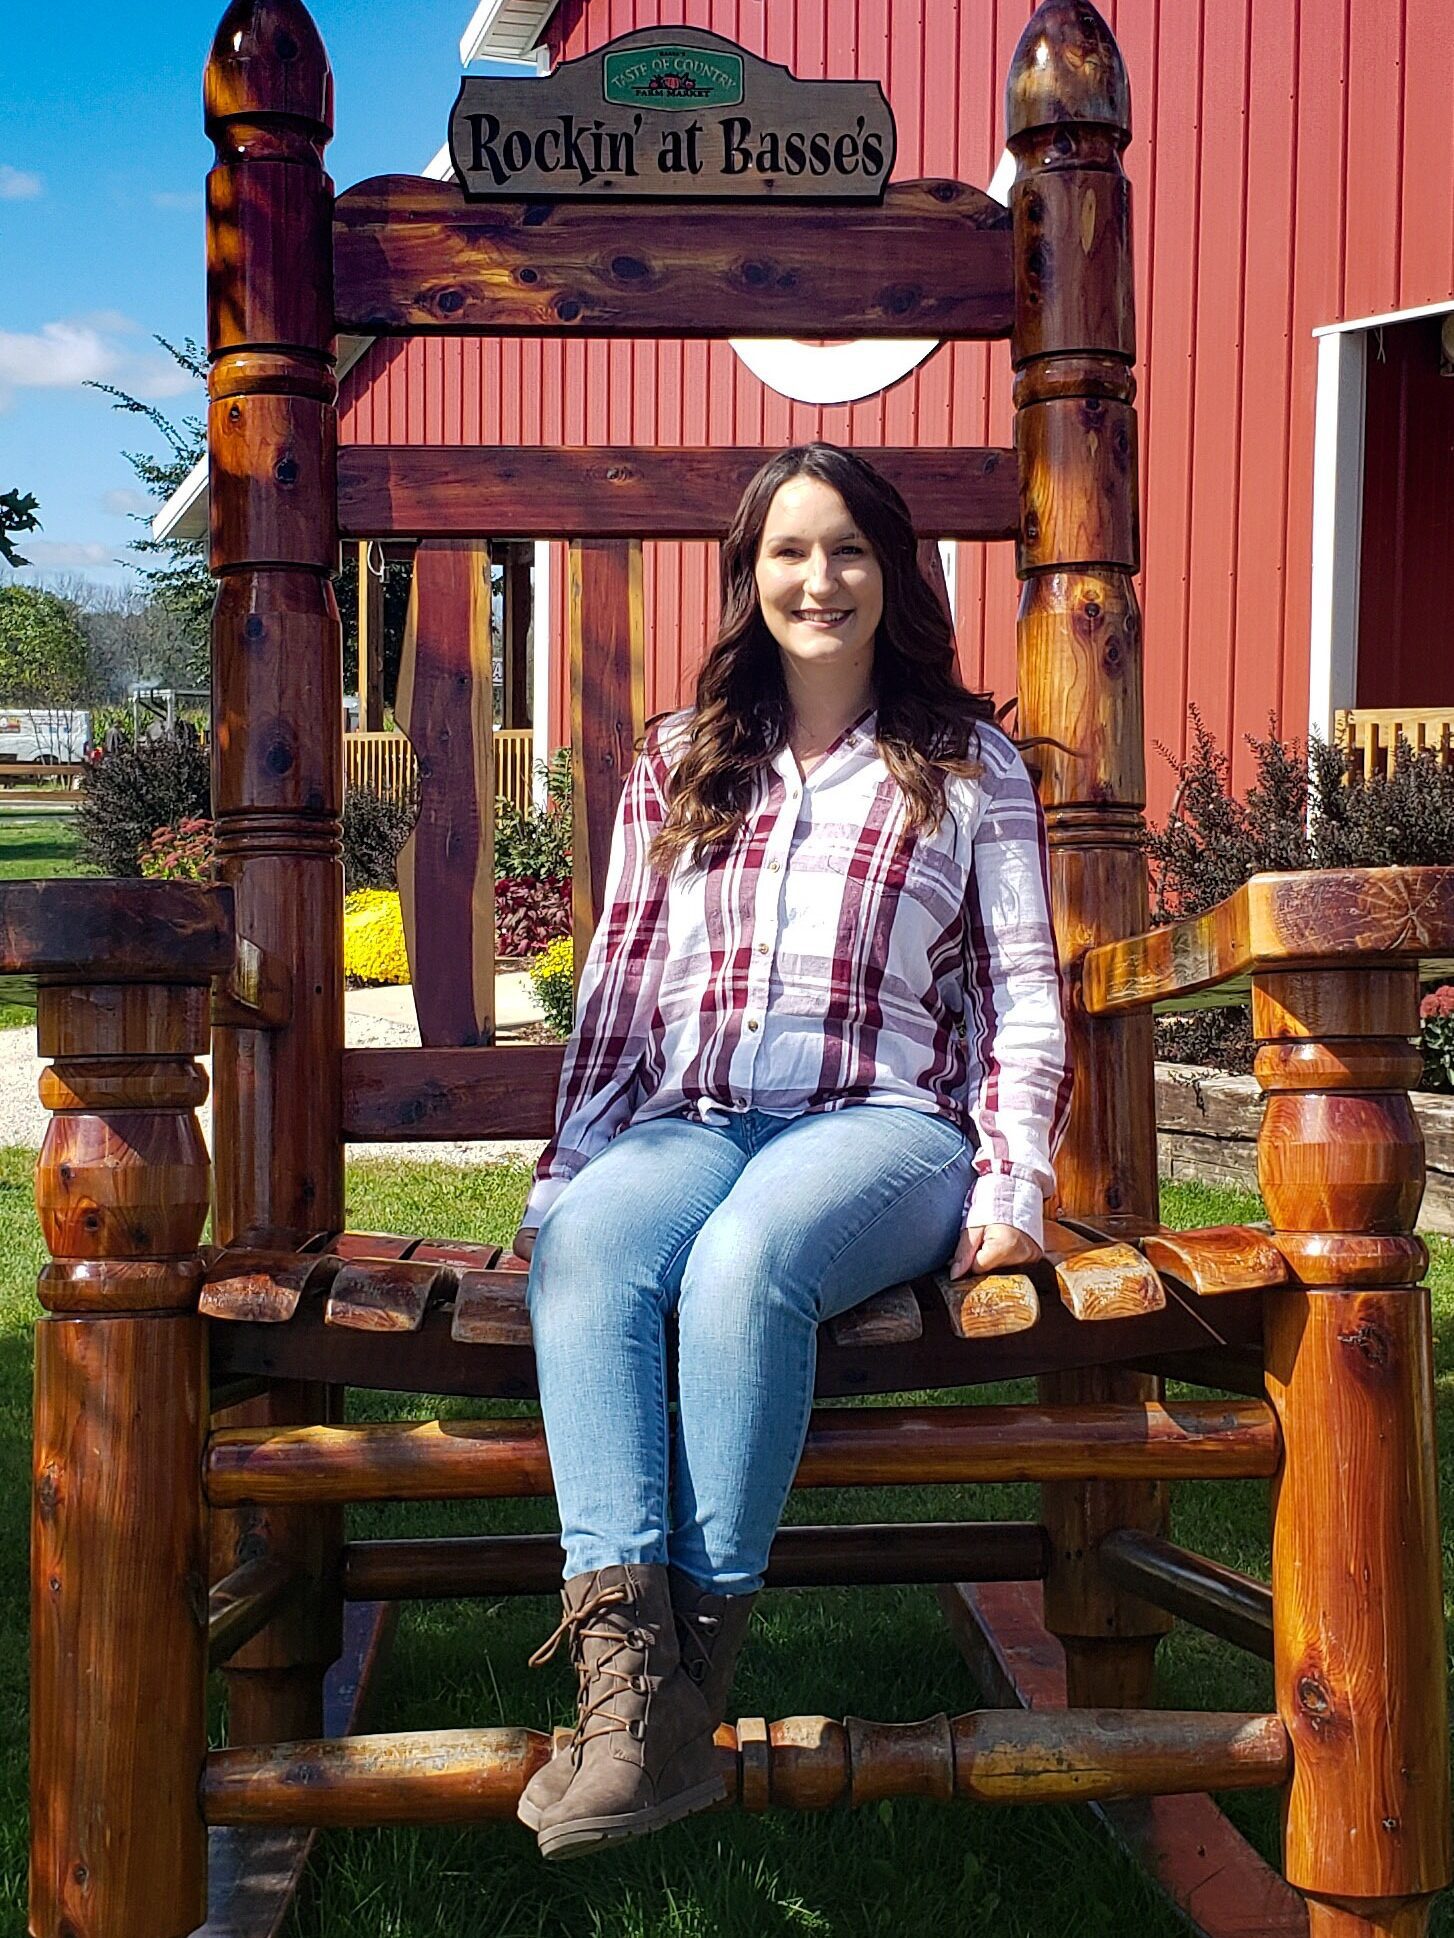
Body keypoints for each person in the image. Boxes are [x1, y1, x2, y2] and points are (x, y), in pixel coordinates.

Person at [512, 442, 1071, 1861]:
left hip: (883, 1131)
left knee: (747, 1259)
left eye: (846, 551)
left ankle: (667, 1694)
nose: (816, 580)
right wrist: (566, 1173)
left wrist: (1010, 1182)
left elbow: (1017, 992)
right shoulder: (677, 758)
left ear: (891, 573)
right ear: (746, 576)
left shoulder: (967, 764)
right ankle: (636, 1692)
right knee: (588, 1250)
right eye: (786, 552)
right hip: (690, 1119)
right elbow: (622, 993)